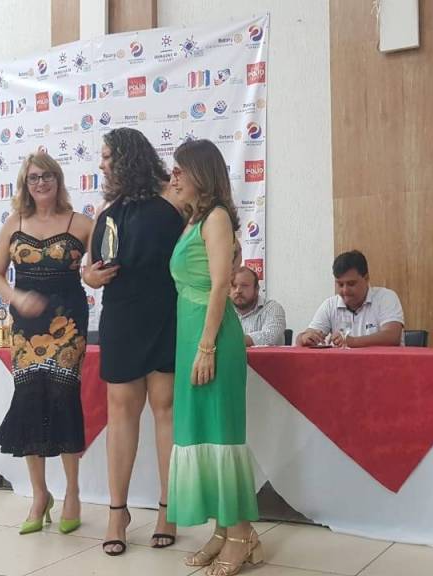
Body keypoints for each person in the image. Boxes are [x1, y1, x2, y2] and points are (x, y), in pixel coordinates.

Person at [82, 127, 184, 555]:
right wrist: (89, 277)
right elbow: (91, 268)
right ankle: (117, 512)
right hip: (121, 317)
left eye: (107, 156)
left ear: (127, 157)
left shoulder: (176, 197)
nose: (101, 164)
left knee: (166, 409)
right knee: (122, 412)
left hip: (167, 313)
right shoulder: (108, 209)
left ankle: (168, 507)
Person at [167, 139, 263, 576]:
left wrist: (207, 347)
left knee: (221, 434)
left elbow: (222, 283)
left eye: (180, 171)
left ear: (200, 175)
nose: (173, 178)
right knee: (202, 433)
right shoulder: (194, 219)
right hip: (191, 335)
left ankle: (241, 533)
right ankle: (224, 529)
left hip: (213, 338)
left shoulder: (217, 217)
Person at [0, 151, 94, 535]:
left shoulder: (81, 223)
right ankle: (39, 495)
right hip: (26, 325)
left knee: (64, 398)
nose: (41, 182)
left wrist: (95, 274)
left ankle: (73, 494)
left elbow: (98, 268)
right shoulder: (14, 222)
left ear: (58, 180)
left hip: (68, 322)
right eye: (34, 177)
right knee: (29, 399)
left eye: (48, 176)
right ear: (25, 184)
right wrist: (16, 298)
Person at [295, 250, 404, 348]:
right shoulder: (330, 305)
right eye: (340, 284)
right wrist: (304, 338)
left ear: (366, 278)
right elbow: (302, 338)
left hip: (382, 363)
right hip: (341, 364)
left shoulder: (385, 297)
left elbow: (392, 336)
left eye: (351, 284)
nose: (345, 290)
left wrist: (353, 342)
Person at [230, 266, 286, 346]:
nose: (238, 290)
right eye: (234, 286)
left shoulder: (272, 308)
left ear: (256, 289)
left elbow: (270, 337)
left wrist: (232, 340)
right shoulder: (224, 311)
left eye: (244, 285)